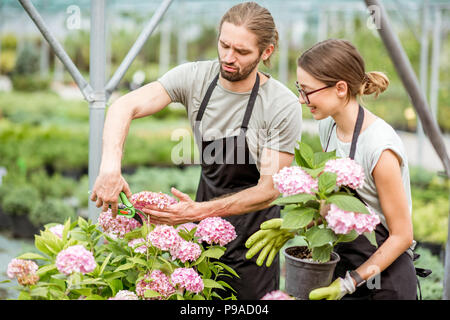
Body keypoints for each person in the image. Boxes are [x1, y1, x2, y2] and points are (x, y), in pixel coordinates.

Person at [90, 2, 302, 300]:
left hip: (254, 240)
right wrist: (110, 168)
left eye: (241, 52)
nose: (228, 57)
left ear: (266, 52)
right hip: (202, 230)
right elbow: (124, 106)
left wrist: (196, 212)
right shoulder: (195, 78)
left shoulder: (281, 104)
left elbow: (269, 190)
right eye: (224, 45)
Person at [298, 39, 417, 299]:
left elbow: (402, 235)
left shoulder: (378, 146)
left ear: (340, 88)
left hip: (386, 280)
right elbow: (342, 202)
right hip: (346, 263)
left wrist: (349, 284)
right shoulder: (327, 128)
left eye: (307, 90)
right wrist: (299, 222)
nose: (301, 99)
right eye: (299, 88)